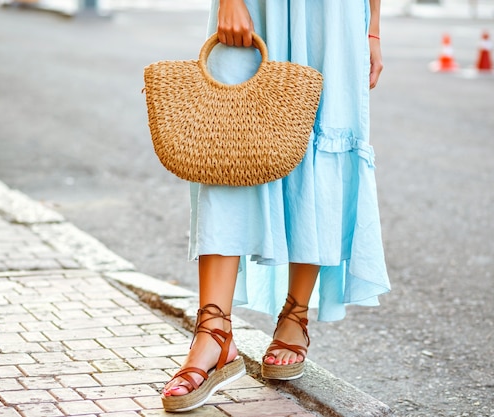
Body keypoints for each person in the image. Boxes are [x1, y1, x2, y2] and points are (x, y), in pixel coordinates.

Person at [161, 0, 391, 412]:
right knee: (227, 143)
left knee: (322, 137)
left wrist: (372, 28)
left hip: (335, 14)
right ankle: (213, 333)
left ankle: (295, 316)